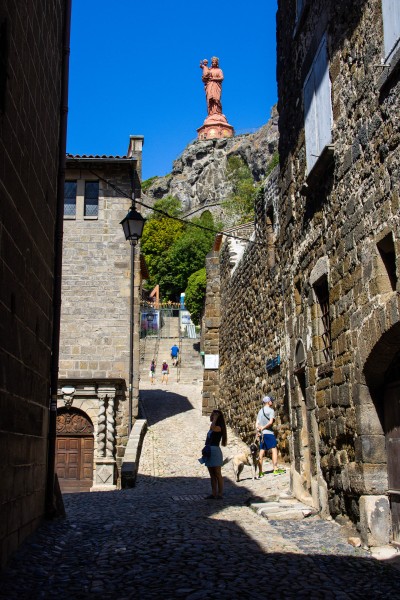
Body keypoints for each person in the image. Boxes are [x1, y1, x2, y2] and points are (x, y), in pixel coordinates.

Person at [199, 409, 227, 499]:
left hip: (215, 451)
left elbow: (212, 428)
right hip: (209, 450)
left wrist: (215, 418)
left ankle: (220, 493)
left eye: (212, 415)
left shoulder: (218, 427)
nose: (211, 416)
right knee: (212, 474)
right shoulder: (214, 426)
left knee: (217, 473)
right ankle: (214, 493)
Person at [256, 396, 286, 477]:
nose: (272, 402)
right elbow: (270, 422)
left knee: (261, 451)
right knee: (274, 449)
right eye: (271, 401)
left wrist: (259, 430)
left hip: (262, 434)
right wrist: (264, 427)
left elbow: (257, 423)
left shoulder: (260, 411)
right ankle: (275, 469)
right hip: (269, 433)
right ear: (268, 402)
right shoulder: (271, 410)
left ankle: (260, 471)